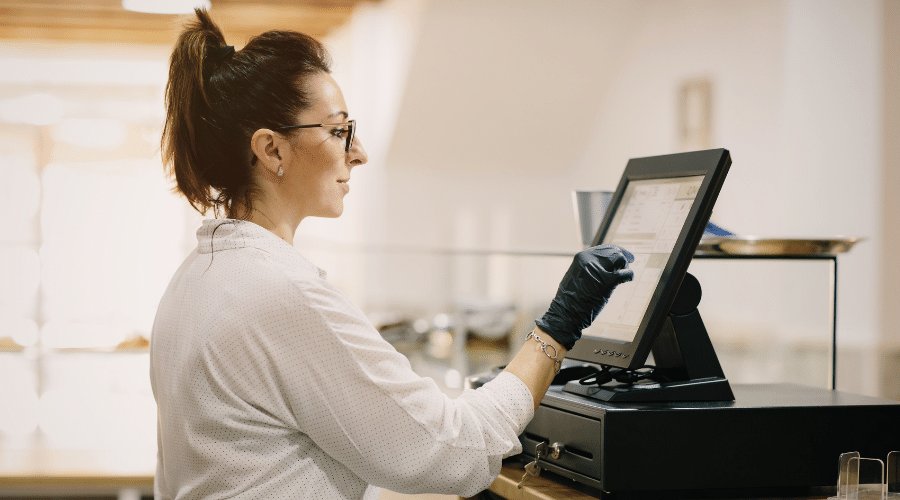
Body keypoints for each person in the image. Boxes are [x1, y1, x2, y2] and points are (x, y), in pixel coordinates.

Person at [150, 9, 634, 500]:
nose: (358, 152)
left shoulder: (198, 275)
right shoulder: (281, 295)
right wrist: (559, 325)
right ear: (272, 151)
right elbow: (455, 452)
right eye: (339, 131)